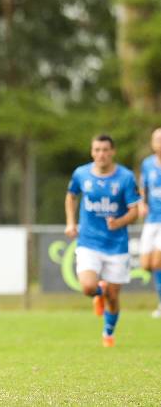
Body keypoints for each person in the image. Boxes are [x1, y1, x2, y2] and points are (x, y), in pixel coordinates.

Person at [65, 134, 140, 347]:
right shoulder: (81, 173)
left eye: (105, 150)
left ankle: (108, 333)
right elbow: (71, 196)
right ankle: (98, 294)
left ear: (112, 152)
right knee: (88, 287)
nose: (101, 154)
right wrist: (71, 222)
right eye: (97, 150)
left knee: (114, 297)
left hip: (116, 245)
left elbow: (135, 211)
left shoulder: (125, 177)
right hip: (89, 242)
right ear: (92, 152)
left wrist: (119, 222)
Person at [137, 128, 161, 318]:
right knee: (146, 264)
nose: (159, 142)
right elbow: (143, 187)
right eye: (156, 139)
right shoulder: (147, 164)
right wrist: (142, 204)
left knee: (158, 262)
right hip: (151, 219)